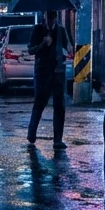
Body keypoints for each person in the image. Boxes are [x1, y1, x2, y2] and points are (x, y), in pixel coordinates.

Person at [26, 11, 70, 147]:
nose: (50, 20)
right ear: (44, 17)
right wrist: (42, 44)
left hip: (58, 73)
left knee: (59, 106)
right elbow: (30, 50)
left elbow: (68, 47)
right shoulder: (37, 30)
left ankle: (57, 140)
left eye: (53, 17)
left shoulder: (61, 31)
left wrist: (64, 50)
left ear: (56, 18)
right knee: (39, 104)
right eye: (48, 17)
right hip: (42, 73)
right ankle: (31, 133)